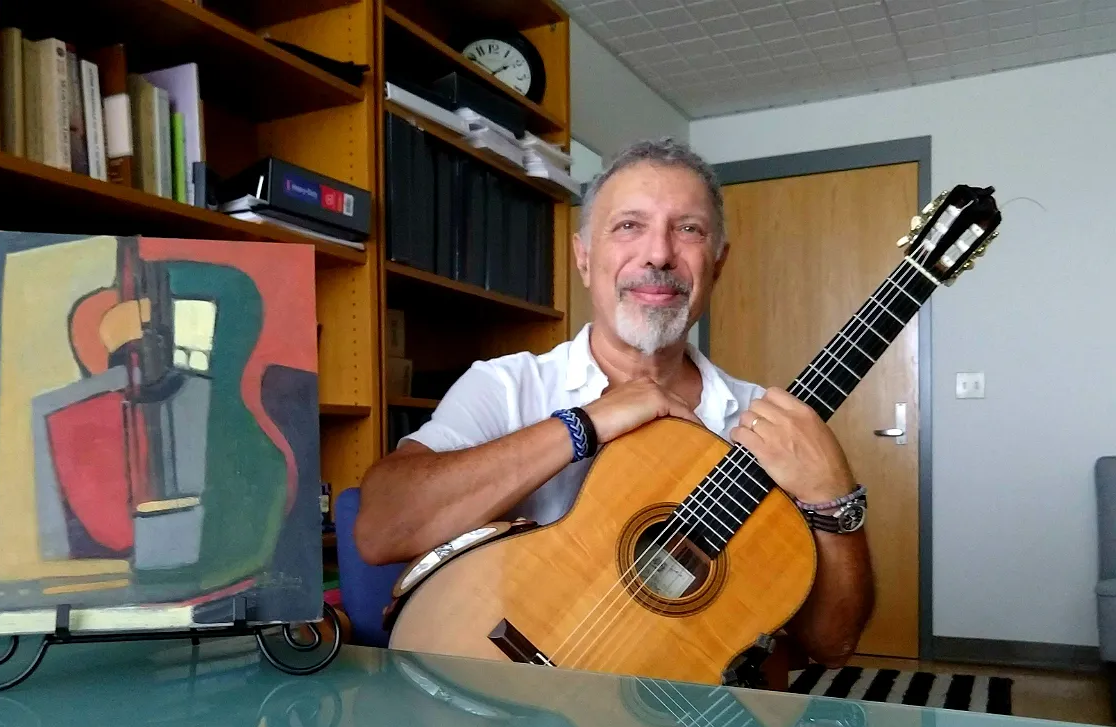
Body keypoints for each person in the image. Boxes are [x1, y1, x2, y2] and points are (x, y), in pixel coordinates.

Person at [354, 137, 874, 667]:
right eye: (629, 225)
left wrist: (835, 500)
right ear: (584, 258)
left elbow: (830, 647)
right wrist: (581, 425)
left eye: (688, 229)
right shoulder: (507, 386)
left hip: (662, 711)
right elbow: (381, 530)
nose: (659, 253)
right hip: (501, 691)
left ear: (717, 265)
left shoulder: (766, 425)